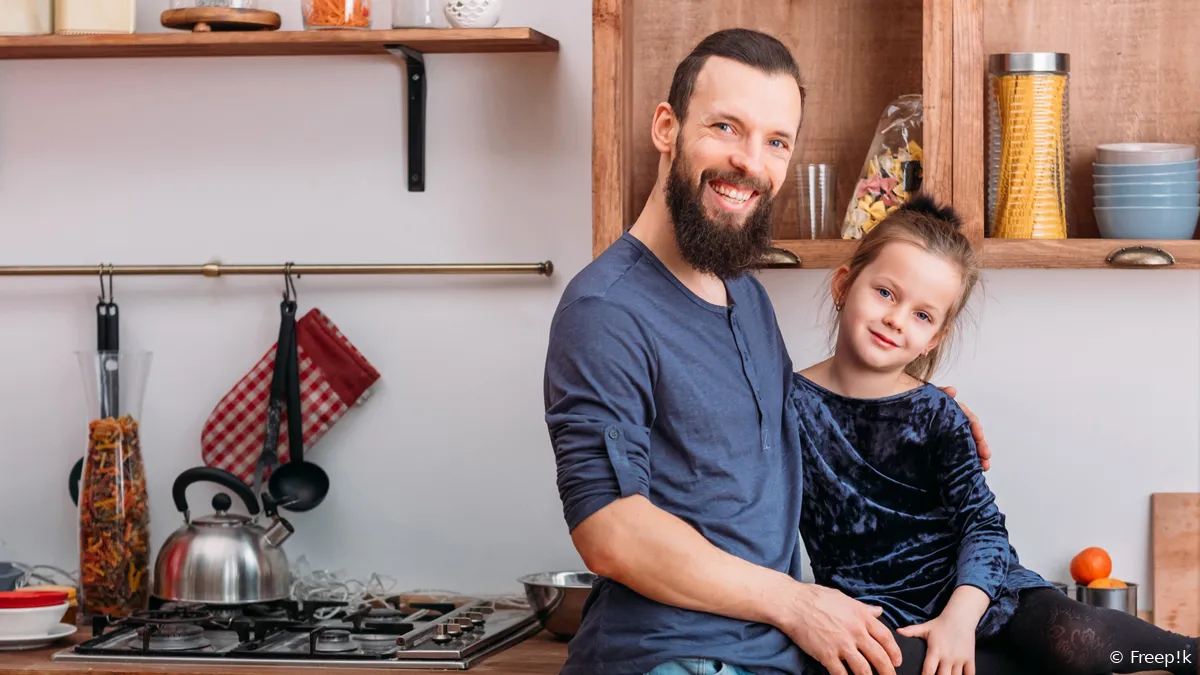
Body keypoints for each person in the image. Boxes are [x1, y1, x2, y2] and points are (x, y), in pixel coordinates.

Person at [543, 28, 991, 675]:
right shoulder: (607, 308)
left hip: (775, 654)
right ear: (666, 128)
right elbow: (609, 530)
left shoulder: (744, 295)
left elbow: (785, 439)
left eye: (776, 141)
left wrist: (911, 412)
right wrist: (798, 602)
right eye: (726, 127)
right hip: (671, 657)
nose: (751, 162)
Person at [793, 194, 1200, 675]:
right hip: (877, 611)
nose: (896, 319)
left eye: (923, 315)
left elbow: (982, 526)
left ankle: (1185, 654)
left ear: (936, 336)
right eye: (885, 293)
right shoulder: (786, 405)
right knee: (875, 668)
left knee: (1080, 640)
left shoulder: (937, 413)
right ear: (845, 284)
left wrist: (961, 618)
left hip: (978, 591)